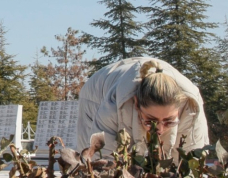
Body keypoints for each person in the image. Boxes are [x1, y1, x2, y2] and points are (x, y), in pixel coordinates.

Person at [77, 57, 208, 159]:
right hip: (97, 93)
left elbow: (191, 162)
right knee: (91, 162)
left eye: (169, 121)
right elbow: (104, 160)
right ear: (136, 104)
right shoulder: (111, 107)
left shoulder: (191, 109)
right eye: (151, 121)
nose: (160, 129)